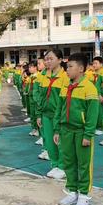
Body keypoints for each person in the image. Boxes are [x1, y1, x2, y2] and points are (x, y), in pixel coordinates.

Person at [54, 53, 99, 205]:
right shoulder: (65, 86)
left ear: (81, 69)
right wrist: (57, 129)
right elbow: (59, 109)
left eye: (70, 66)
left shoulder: (89, 88)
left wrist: (88, 134)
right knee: (69, 162)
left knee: (84, 163)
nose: (67, 70)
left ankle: (84, 194)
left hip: (81, 132)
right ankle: (72, 191)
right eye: (67, 67)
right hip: (66, 130)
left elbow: (92, 115)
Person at [36, 49, 68, 180]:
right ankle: (54, 164)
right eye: (46, 59)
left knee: (60, 141)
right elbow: (40, 97)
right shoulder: (44, 76)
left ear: (60, 60)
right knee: (49, 141)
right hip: (46, 114)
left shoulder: (65, 77)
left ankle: (62, 166)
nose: (48, 61)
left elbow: (65, 101)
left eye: (51, 59)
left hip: (58, 115)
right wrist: (38, 114)